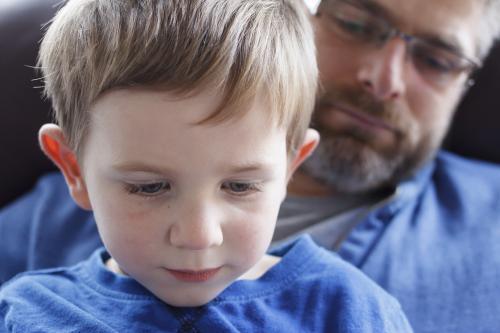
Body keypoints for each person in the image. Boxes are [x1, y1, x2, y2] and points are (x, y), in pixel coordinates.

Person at [0, 0, 499, 331]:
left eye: (437, 60)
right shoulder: (32, 288)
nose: (383, 79)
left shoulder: (354, 308)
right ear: (75, 172)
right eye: (356, 24)